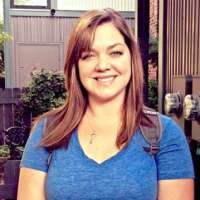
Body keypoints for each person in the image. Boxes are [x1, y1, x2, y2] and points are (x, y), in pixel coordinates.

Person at [17, 8, 194, 200]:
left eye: (115, 52)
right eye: (88, 55)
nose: (102, 65)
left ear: (132, 58)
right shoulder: (47, 132)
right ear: (75, 66)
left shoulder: (165, 135)